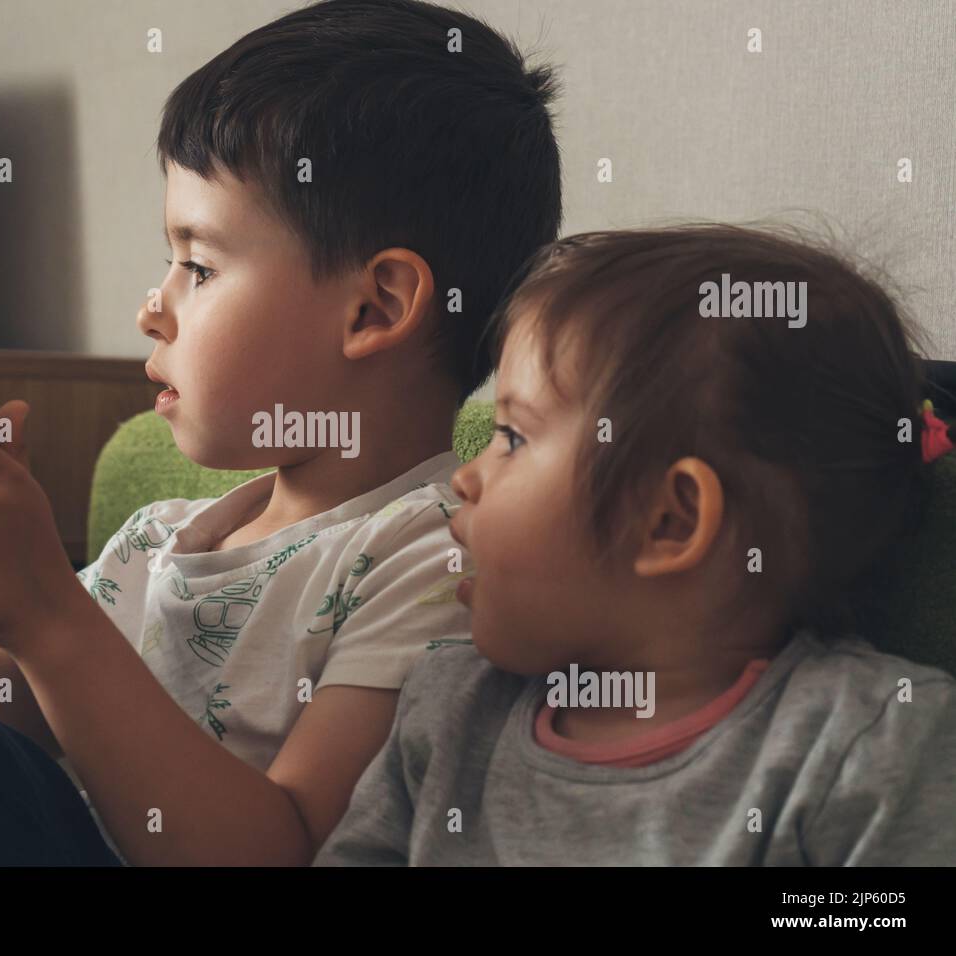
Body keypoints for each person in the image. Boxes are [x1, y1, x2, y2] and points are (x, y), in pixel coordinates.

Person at [0, 0, 561, 866]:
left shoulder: (429, 559)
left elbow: (283, 850)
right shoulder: (154, 539)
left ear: (377, 306)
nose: (151, 308)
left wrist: (49, 612)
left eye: (198, 266)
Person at [315, 224, 956, 865]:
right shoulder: (449, 711)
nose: (465, 475)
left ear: (669, 522)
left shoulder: (866, 745)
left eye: (511, 437)